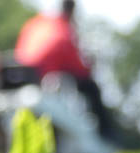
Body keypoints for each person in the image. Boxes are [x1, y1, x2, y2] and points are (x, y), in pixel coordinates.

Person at [14, 0, 117, 140]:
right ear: (71, 12)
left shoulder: (35, 23)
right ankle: (106, 134)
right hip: (46, 77)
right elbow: (80, 69)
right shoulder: (63, 30)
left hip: (21, 73)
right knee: (91, 87)